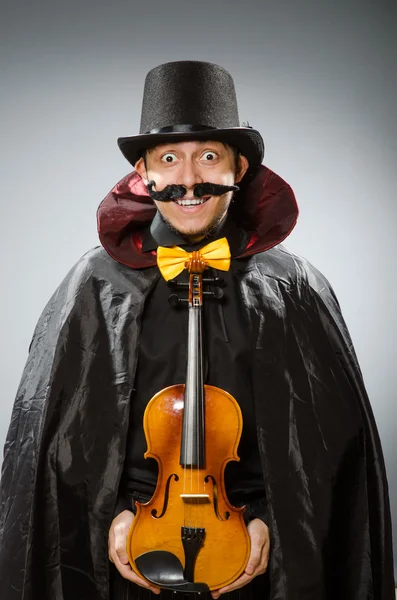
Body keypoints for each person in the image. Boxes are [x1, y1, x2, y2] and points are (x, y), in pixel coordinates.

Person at [0, 61, 394, 600]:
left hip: (259, 561)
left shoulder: (295, 287)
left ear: (240, 167)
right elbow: (55, 450)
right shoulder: (92, 285)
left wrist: (270, 522)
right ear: (145, 172)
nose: (189, 181)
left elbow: (333, 453)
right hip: (129, 560)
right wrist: (109, 518)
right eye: (168, 160)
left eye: (208, 157)